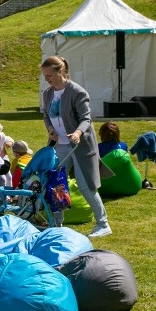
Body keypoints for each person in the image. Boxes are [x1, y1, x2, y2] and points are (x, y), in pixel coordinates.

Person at [41, 55, 113, 238]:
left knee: (85, 186)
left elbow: (86, 118)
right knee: (56, 184)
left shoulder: (77, 92)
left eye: (49, 75)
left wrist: (78, 133)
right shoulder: (48, 93)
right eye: (44, 75)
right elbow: (47, 115)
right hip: (61, 146)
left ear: (60, 71)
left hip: (79, 147)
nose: (47, 79)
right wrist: (50, 128)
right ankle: (57, 225)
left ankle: (103, 224)